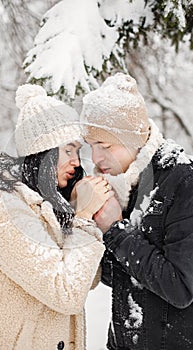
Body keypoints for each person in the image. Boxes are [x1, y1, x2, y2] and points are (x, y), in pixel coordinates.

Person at [0, 84, 113, 350]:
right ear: (41, 153)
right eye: (68, 150)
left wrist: (82, 211)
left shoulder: (45, 205)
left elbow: (88, 278)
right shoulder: (4, 211)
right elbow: (66, 292)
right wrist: (84, 218)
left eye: (78, 151)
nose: (77, 162)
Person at [80, 72, 193, 350]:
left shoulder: (182, 180)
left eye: (105, 146)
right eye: (91, 146)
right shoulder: (123, 181)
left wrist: (116, 232)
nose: (95, 158)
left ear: (133, 139)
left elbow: (181, 287)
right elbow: (120, 276)